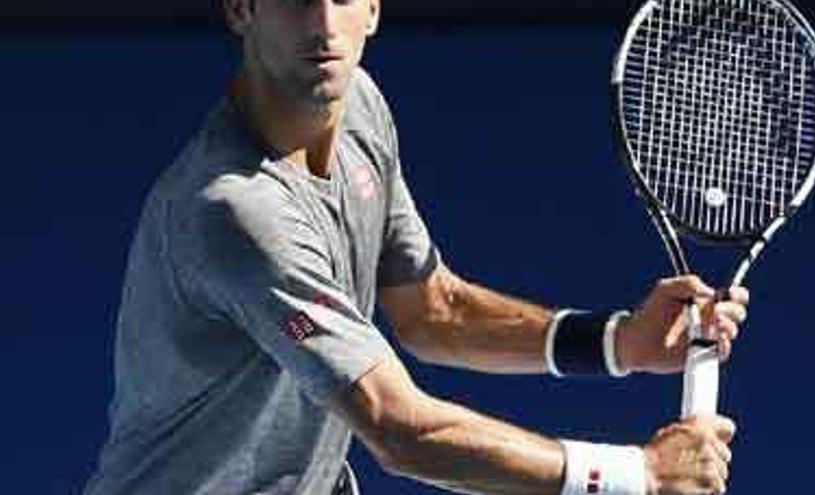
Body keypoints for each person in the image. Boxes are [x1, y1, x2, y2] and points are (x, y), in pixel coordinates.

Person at [83, 0, 750, 494]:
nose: (322, 22)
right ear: (240, 9)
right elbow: (397, 428)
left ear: (372, 9)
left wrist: (620, 341)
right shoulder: (235, 209)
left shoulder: (361, 110)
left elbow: (434, 310)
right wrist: (638, 473)